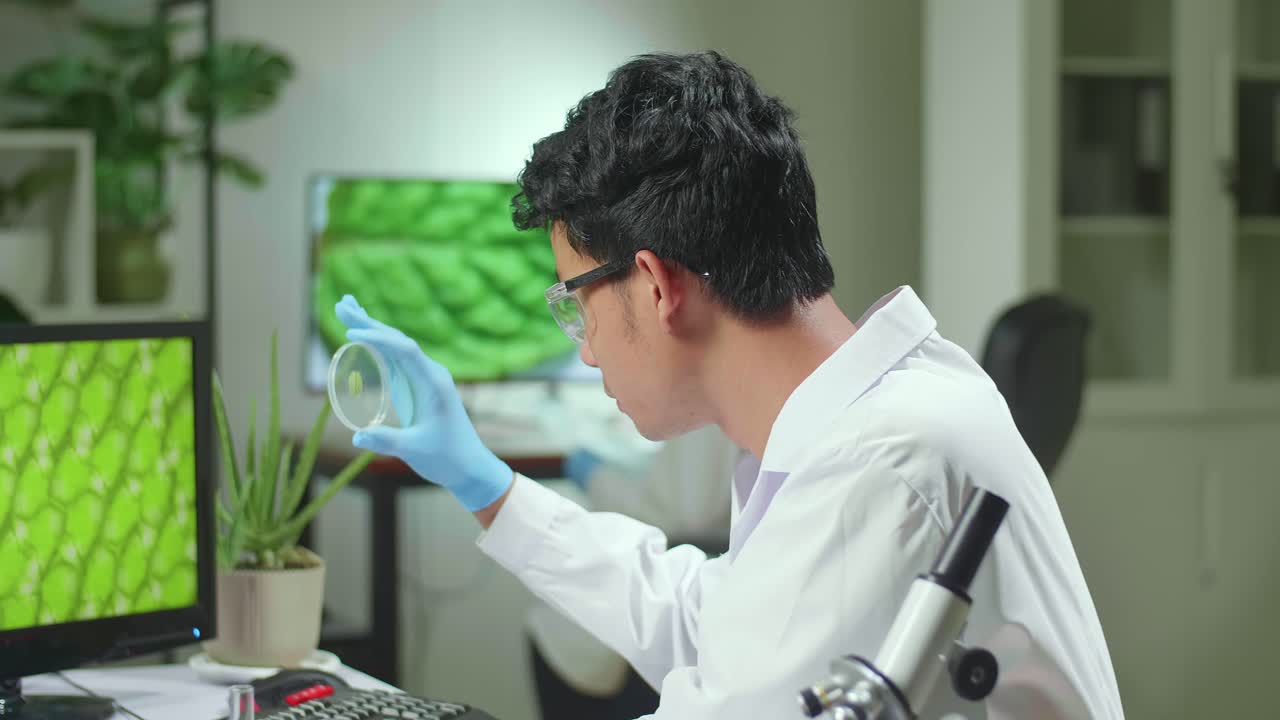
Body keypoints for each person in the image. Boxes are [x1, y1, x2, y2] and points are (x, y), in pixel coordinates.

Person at [335, 51, 1125, 718]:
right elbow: (714, 626)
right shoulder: (868, 416)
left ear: (653, 285)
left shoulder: (885, 463)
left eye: (575, 306)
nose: (585, 352)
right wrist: (487, 485)